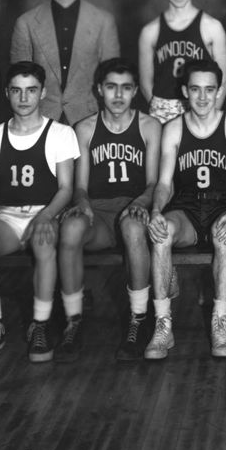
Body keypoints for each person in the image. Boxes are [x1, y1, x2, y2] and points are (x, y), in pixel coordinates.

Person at [0, 61, 80, 363]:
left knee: (44, 242)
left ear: (43, 93)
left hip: (45, 214)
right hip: (6, 216)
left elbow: (66, 189)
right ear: (7, 93)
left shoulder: (60, 133)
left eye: (31, 90)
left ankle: (40, 325)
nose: (23, 97)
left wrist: (45, 217)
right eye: (16, 90)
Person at [56, 58, 162, 362]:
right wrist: (84, 205)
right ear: (99, 89)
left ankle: (138, 319)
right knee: (72, 228)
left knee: (131, 227)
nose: (118, 95)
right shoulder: (85, 128)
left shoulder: (149, 126)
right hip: (99, 215)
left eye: (126, 88)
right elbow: (80, 187)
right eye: (111, 87)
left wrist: (140, 203)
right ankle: (73, 320)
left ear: (136, 91)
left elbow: (154, 183)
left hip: (135, 210)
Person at [144, 59, 226, 359]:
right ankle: (163, 325)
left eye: (209, 90)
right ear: (184, 92)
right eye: (195, 90)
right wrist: (156, 212)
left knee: (224, 237)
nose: (203, 97)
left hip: (221, 207)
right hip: (187, 208)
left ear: (219, 91)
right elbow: (164, 184)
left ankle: (220, 322)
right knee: (161, 235)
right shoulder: (174, 129)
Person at [10, 0, 120, 125]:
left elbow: (112, 79)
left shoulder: (103, 21)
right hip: (40, 118)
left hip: (90, 118)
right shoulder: (26, 23)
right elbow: (19, 82)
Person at [139, 0, 226, 124]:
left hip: (200, 106)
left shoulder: (212, 26)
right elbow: (145, 82)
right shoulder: (150, 31)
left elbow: (224, 79)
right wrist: (159, 110)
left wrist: (211, 118)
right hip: (162, 109)